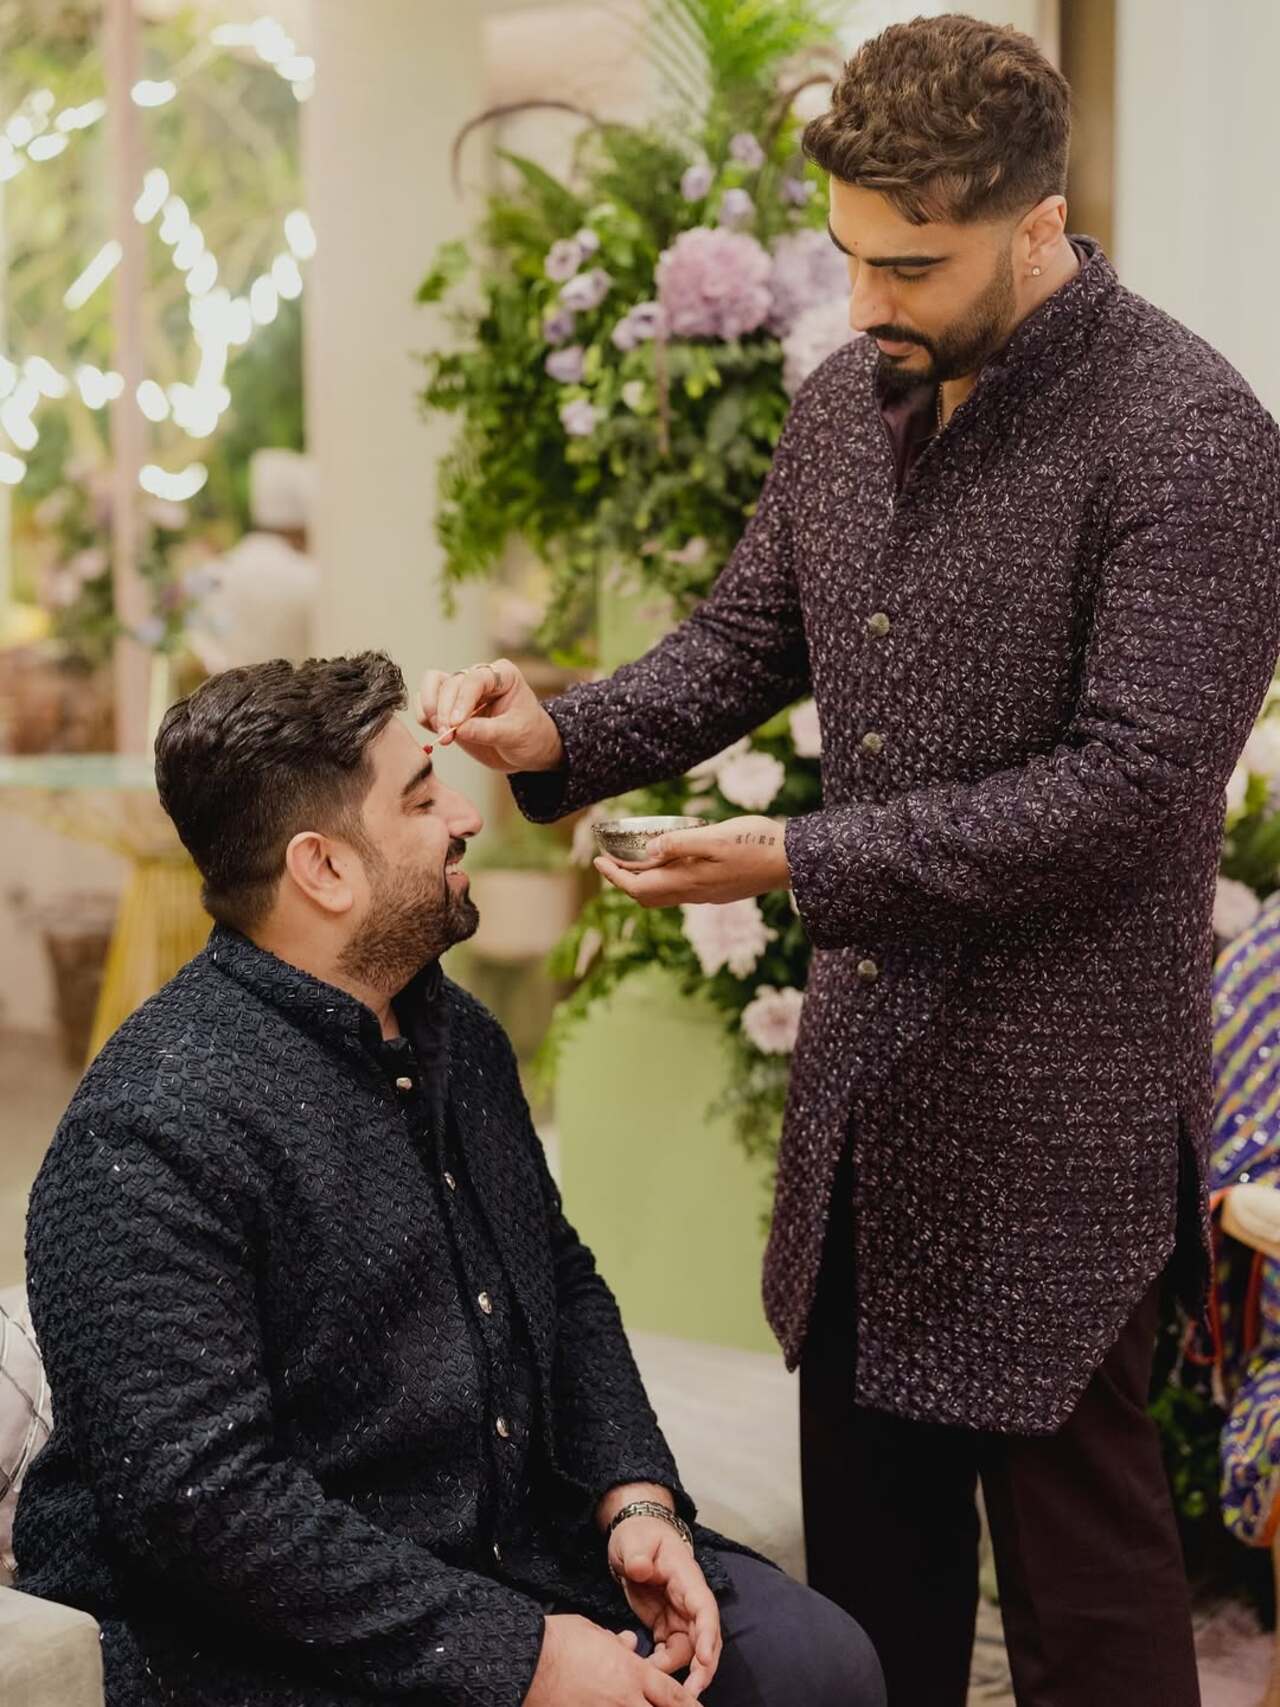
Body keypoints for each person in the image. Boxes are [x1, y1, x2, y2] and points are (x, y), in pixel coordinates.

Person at [419, 14, 1280, 1705]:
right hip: (871, 1119)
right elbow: (743, 641)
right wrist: (566, 737)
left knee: (1091, 1622)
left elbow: (1131, 789)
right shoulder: (844, 400)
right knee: (878, 1617)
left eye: (914, 260)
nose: (869, 296)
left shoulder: (1194, 437)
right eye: (846, 254)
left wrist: (794, 855)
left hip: (1066, 1127)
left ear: (1039, 222)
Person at [13, 652, 883, 1707]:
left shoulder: (455, 1035)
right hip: (278, 1636)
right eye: (424, 797)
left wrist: (636, 1501)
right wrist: (520, 1658)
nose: (468, 816)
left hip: (521, 1550)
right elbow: (201, 1505)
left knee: (817, 1664)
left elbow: (557, 1282)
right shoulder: (148, 1128)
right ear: (322, 869)